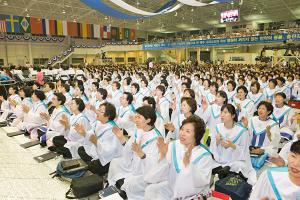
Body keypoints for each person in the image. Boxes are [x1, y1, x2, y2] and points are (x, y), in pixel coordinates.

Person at [144, 116, 214, 200]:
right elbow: (161, 173)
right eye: (182, 129)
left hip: (192, 194)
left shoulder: (204, 155)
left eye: (187, 131)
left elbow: (202, 182)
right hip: (172, 187)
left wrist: (189, 166)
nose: (182, 133)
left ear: (197, 135)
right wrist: (163, 157)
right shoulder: (174, 145)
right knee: (151, 190)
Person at [107, 106, 161, 199]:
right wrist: (121, 138)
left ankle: (125, 192)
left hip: (145, 173)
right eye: (135, 117)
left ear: (148, 120)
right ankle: (117, 186)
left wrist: (142, 155)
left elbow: (154, 165)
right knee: (115, 162)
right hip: (134, 165)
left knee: (132, 183)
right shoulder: (139, 130)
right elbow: (129, 149)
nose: (135, 120)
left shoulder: (157, 139)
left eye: (138, 117)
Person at [210, 104, 256, 184]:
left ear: (233, 115)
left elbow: (245, 152)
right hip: (219, 160)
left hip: (234, 160)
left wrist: (232, 146)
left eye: (225, 112)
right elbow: (212, 148)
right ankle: (225, 170)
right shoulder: (217, 127)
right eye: (221, 112)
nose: (222, 115)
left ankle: (226, 171)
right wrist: (217, 141)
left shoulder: (241, 131)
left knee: (240, 166)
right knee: (207, 162)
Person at [75, 102, 123, 176]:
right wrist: (84, 133)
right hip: (97, 150)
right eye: (98, 110)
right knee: (80, 149)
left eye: (101, 111)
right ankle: (91, 163)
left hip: (108, 158)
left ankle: (92, 164)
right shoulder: (98, 122)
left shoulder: (113, 129)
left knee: (94, 166)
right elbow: (91, 135)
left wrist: (96, 143)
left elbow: (109, 151)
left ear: (108, 115)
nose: (97, 112)